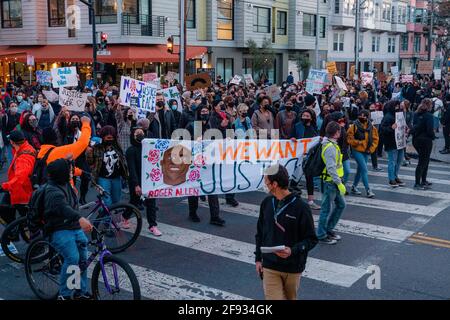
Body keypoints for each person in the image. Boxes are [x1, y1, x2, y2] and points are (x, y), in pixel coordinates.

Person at [255, 164, 317, 300]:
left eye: (266, 182)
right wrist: (258, 259)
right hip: (270, 265)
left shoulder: (301, 207)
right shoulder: (266, 203)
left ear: (274, 184)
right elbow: (260, 232)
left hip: (293, 267)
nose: (264, 184)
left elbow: (311, 239)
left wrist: (292, 250)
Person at [44, 158, 93, 300]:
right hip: (58, 228)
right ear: (62, 173)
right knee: (73, 258)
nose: (72, 172)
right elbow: (64, 208)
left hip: (72, 226)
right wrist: (80, 219)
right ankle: (64, 295)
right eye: (69, 170)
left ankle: (80, 291)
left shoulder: (66, 184)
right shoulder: (52, 191)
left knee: (83, 259)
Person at [185, 105, 226, 226]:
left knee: (212, 188)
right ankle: (192, 212)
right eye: (202, 111)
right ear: (198, 113)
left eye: (207, 111)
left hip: (209, 161)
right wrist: (194, 140)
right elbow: (183, 141)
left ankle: (215, 216)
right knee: (194, 188)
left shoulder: (211, 125)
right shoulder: (191, 125)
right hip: (195, 162)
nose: (205, 113)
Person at [126, 127, 162, 236]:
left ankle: (153, 225)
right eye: (137, 133)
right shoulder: (130, 151)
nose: (140, 135)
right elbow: (132, 169)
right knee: (134, 202)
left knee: (151, 203)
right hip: (136, 180)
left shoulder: (149, 149)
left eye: (142, 133)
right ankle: (125, 217)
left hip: (148, 181)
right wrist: (136, 185)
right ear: (133, 136)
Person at [316, 122, 347, 245]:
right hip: (330, 182)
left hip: (333, 181)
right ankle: (321, 234)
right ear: (336, 133)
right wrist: (339, 183)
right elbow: (331, 168)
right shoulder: (330, 147)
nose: (341, 133)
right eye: (339, 131)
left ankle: (328, 229)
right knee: (326, 209)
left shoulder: (332, 144)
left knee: (341, 205)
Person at [86, 125, 128, 207]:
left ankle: (111, 217)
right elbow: (90, 163)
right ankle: (106, 218)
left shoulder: (117, 147)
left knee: (116, 200)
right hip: (103, 178)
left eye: (112, 138)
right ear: (103, 137)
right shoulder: (96, 148)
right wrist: (89, 153)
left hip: (116, 178)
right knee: (107, 202)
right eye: (108, 138)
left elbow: (122, 160)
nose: (110, 140)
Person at [0, 130, 36, 224]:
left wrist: (4, 186)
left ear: (12, 142)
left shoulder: (23, 158)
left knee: (6, 212)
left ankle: (12, 234)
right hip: (18, 188)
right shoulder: (26, 148)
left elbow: (20, 178)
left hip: (21, 191)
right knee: (6, 208)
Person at [347, 110, 379, 198]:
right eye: (360, 115)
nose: (362, 117)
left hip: (367, 151)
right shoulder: (353, 126)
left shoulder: (372, 128)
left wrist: (371, 149)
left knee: (360, 170)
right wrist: (358, 142)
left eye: (364, 116)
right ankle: (368, 190)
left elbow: (375, 139)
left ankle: (354, 187)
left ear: (367, 117)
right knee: (364, 169)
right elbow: (349, 138)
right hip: (356, 150)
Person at [380, 100, 406, 187]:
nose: (398, 107)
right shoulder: (388, 116)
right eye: (396, 106)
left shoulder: (399, 115)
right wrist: (391, 128)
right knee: (392, 161)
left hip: (399, 142)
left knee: (399, 161)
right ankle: (391, 179)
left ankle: (395, 176)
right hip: (391, 142)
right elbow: (383, 130)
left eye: (398, 106)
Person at [411, 99, 435, 190]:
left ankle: (423, 180)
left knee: (425, 160)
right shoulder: (429, 116)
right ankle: (417, 183)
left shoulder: (416, 114)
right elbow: (430, 130)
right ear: (429, 106)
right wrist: (433, 137)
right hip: (425, 141)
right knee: (423, 161)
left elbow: (415, 126)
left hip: (416, 140)